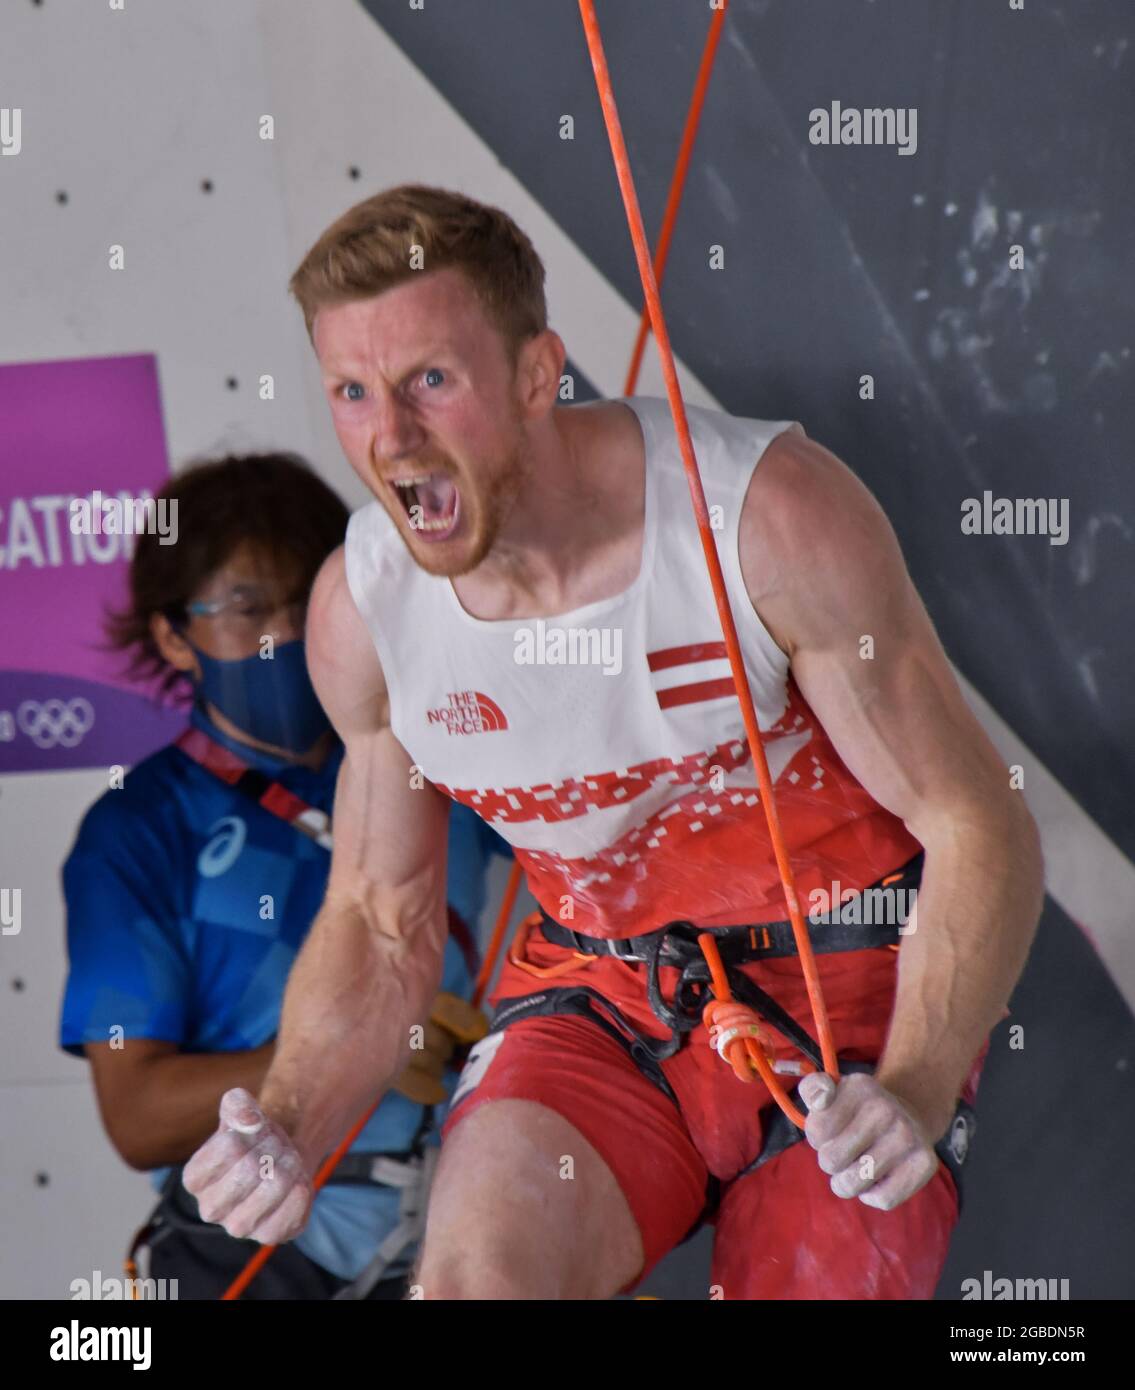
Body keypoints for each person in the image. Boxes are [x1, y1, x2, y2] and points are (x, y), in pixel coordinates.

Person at [181, 185, 1044, 1300]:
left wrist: (919, 1088)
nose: (390, 438)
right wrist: (291, 1123)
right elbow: (377, 916)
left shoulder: (760, 515)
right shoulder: (366, 609)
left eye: (430, 381)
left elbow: (976, 822)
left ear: (538, 375)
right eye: (352, 391)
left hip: (852, 1004)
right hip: (606, 996)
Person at [60, 450, 506, 1299]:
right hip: (259, 1255)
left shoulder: (444, 756)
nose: (288, 632)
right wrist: (355, 1049)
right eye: (246, 607)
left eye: (309, 599)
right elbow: (137, 1116)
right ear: (171, 635)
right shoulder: (136, 829)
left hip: (469, 1226)